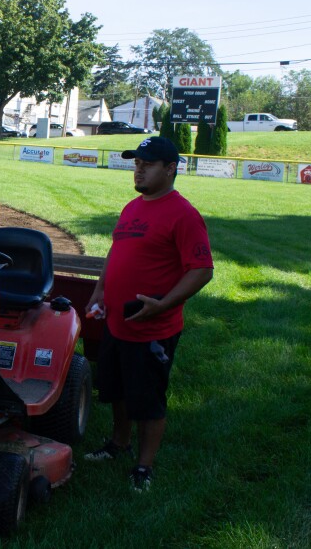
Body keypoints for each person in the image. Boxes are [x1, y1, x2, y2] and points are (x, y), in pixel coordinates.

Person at [83, 136, 213, 493]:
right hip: (117, 321)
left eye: (147, 164)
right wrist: (100, 290)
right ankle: (118, 445)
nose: (138, 169)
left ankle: (144, 467)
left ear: (170, 169)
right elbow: (116, 251)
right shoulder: (132, 207)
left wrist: (165, 303)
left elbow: (202, 269)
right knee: (118, 391)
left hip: (152, 327)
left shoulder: (183, 214)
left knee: (149, 400)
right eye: (136, 162)